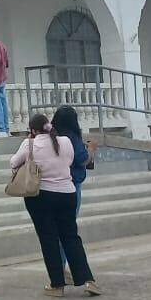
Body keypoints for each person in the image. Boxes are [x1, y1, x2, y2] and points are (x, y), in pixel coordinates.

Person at [12, 114, 99, 297]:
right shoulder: (66, 141)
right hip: (67, 193)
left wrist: (29, 142)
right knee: (71, 237)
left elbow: (13, 162)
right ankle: (88, 279)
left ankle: (57, 284)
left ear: (33, 130)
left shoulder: (29, 144)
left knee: (49, 240)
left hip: (41, 196)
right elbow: (70, 160)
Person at [51, 106, 96, 284]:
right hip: (70, 185)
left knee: (56, 230)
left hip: (52, 186)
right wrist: (91, 149)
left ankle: (59, 268)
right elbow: (82, 158)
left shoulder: (51, 136)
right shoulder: (72, 138)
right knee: (68, 230)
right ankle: (65, 268)